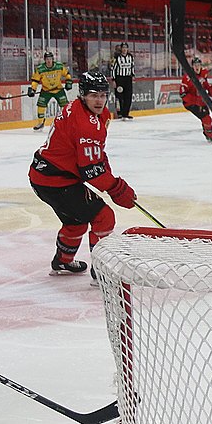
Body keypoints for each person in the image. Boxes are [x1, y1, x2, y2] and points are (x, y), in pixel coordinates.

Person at [27, 69, 137, 275]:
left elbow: (96, 156)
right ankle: (101, 271)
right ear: (83, 95)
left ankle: (63, 261)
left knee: (75, 221)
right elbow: (91, 172)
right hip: (56, 181)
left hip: (43, 175)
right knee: (104, 217)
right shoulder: (86, 124)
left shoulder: (87, 112)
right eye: (93, 95)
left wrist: (111, 180)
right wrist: (117, 189)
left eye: (103, 95)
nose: (99, 100)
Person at [179, 61, 212, 144]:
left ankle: (208, 134)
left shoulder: (203, 74)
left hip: (201, 101)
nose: (197, 67)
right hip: (191, 103)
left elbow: (205, 84)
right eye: (195, 65)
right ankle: (211, 136)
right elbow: (183, 94)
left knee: (206, 118)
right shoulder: (187, 78)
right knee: (206, 118)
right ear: (192, 66)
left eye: (198, 65)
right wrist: (195, 101)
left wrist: (211, 91)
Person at [27, 50, 72, 131]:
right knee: (41, 105)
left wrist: (69, 82)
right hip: (46, 90)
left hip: (58, 90)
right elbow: (35, 80)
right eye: (47, 59)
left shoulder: (59, 66)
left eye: (50, 58)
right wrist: (33, 89)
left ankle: (68, 122)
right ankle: (41, 122)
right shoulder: (40, 69)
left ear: (52, 59)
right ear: (44, 60)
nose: (49, 60)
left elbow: (67, 74)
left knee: (65, 106)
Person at [111, 42, 135, 120]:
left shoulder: (130, 57)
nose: (124, 49)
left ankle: (126, 113)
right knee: (120, 96)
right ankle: (120, 113)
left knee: (128, 96)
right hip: (120, 78)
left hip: (128, 78)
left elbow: (132, 67)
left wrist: (133, 75)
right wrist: (113, 80)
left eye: (126, 48)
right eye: (123, 48)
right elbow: (113, 69)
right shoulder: (117, 58)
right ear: (121, 49)